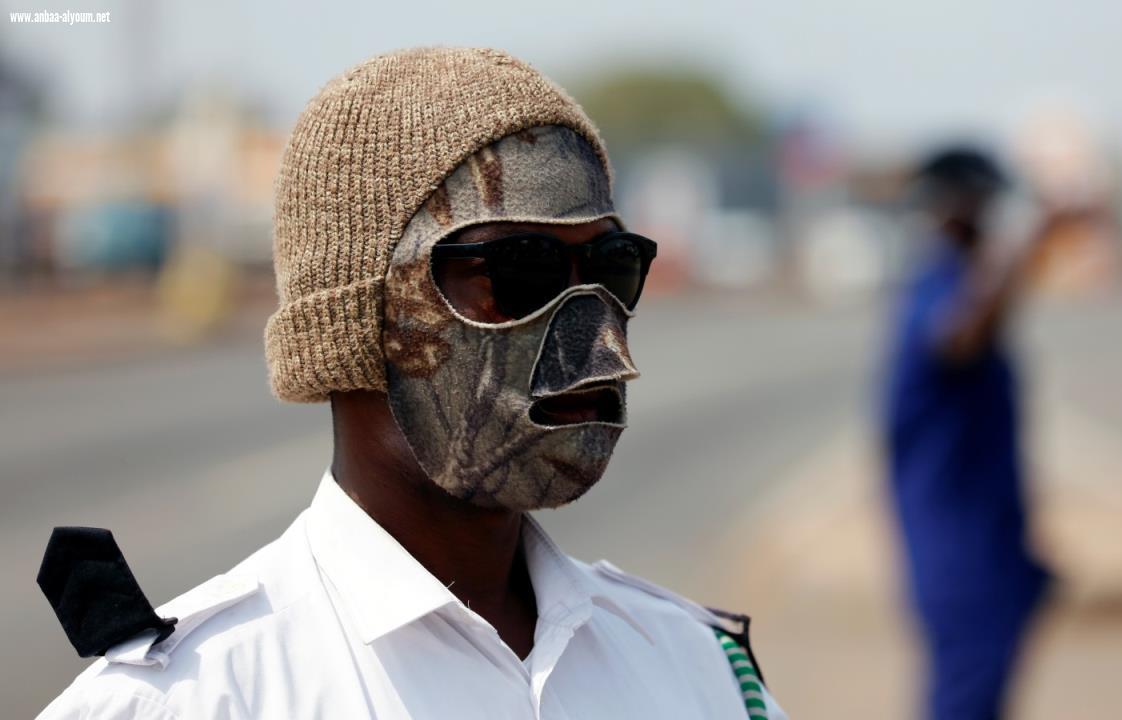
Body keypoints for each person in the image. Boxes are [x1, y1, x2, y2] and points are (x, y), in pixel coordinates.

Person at [37, 47, 784, 720]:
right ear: (362, 321)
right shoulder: (189, 698)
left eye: (614, 269)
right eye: (519, 274)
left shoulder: (695, 668)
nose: (602, 339)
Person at [884, 146, 1064, 720]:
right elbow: (959, 338)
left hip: (990, 543)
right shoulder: (937, 290)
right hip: (958, 551)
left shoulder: (955, 283)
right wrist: (1020, 250)